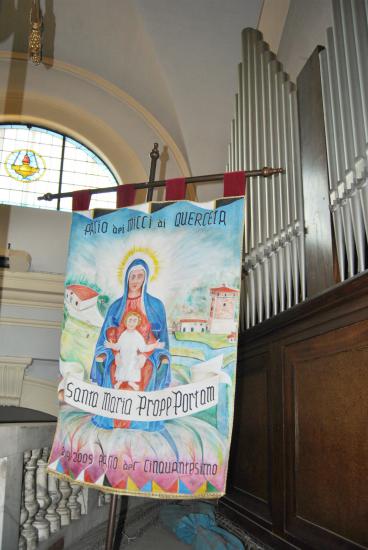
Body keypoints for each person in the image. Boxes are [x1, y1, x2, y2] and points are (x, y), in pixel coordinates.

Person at [90, 258, 171, 430]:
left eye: (139, 276)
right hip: (120, 353)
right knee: (112, 368)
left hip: (145, 353)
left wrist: (148, 354)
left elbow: (161, 338)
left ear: (146, 278)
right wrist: (112, 352)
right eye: (132, 276)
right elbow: (107, 336)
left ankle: (140, 422)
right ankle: (111, 419)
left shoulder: (156, 305)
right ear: (127, 278)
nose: (135, 281)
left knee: (147, 368)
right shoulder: (116, 307)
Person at [104, 311, 164, 390]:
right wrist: (111, 345)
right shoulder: (124, 334)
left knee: (134, 368)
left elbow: (143, 348)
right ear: (126, 322)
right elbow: (118, 346)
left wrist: (154, 345)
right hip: (123, 356)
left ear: (137, 323)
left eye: (134, 321)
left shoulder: (137, 335)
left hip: (133, 357)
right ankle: (119, 382)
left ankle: (131, 382)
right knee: (121, 368)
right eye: (130, 320)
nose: (132, 323)